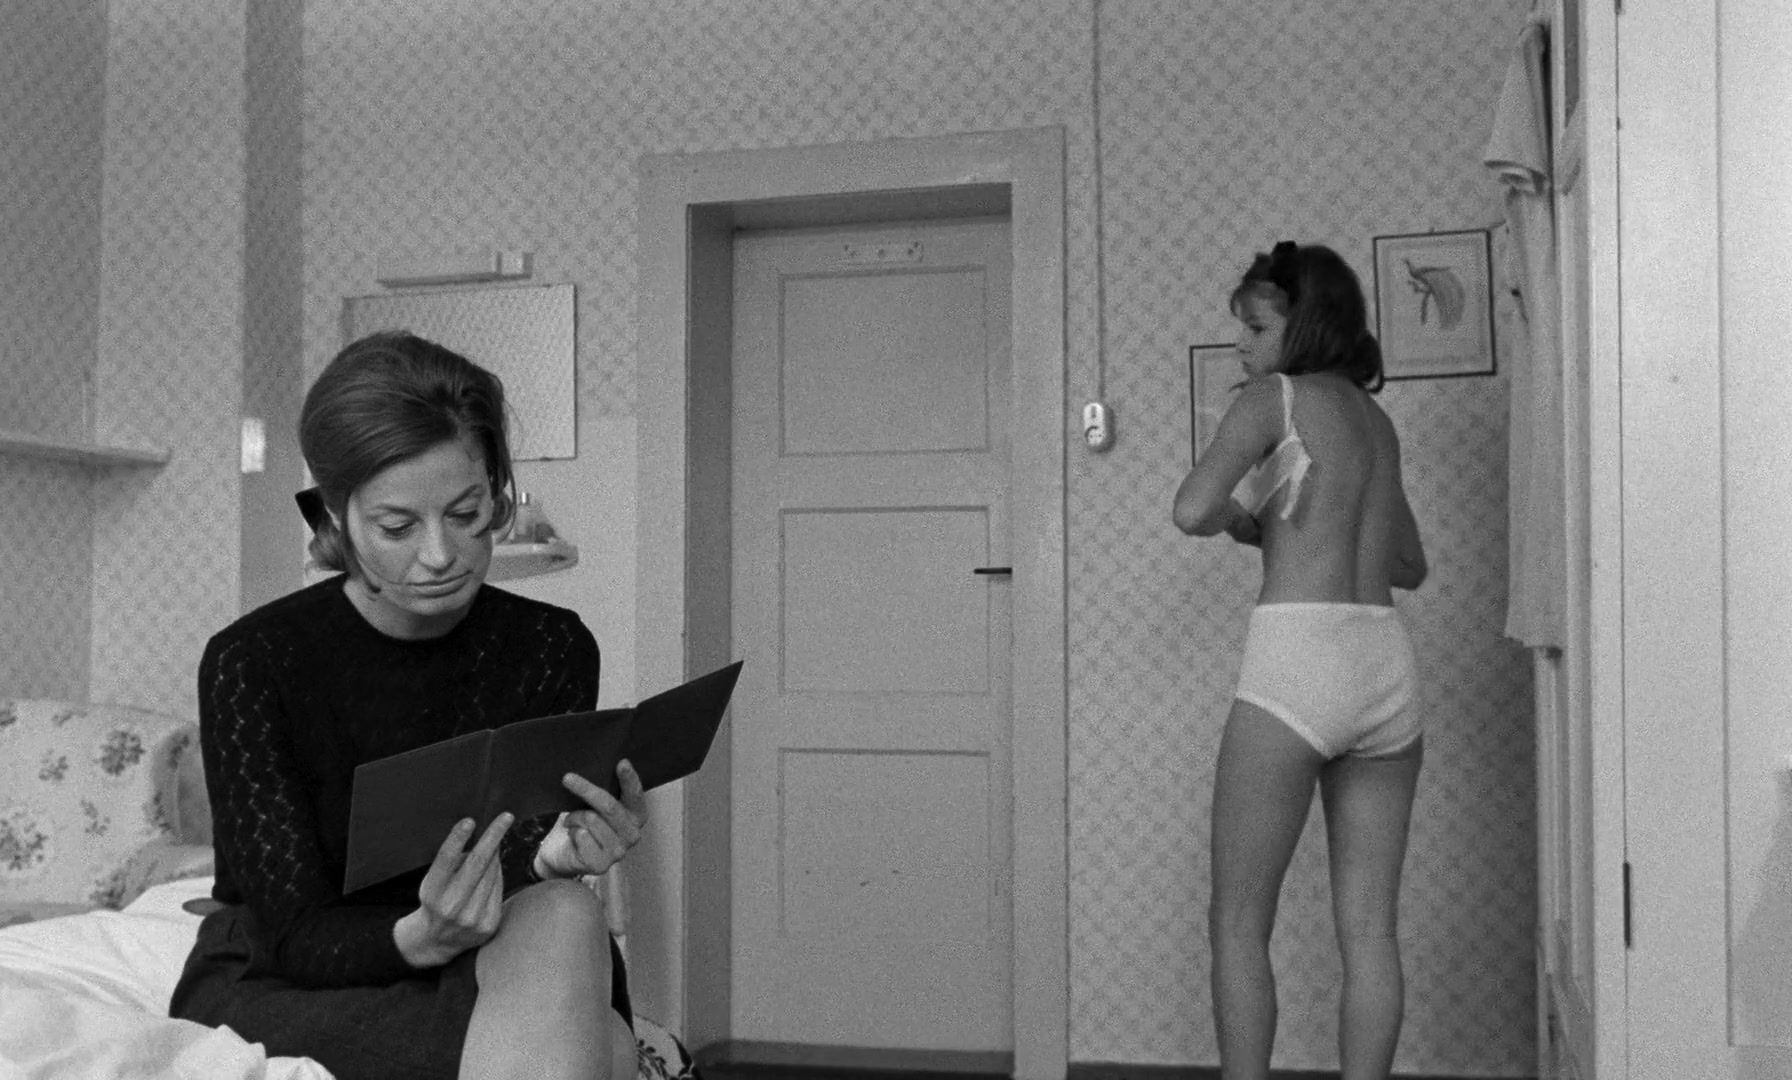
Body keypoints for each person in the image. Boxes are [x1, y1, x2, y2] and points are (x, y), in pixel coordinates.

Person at [170, 331, 644, 1080]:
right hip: (295, 972)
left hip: (483, 948)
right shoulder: (252, 662)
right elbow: (292, 931)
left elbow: (516, 866)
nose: (440, 555)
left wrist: (552, 856)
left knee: (567, 909)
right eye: (397, 527)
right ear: (333, 516)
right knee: (607, 1054)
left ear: (497, 490)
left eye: (466, 513)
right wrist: (421, 936)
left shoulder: (553, 645)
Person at [1172, 242, 1428, 1080]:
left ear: (1303, 325)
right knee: (1372, 931)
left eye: (1255, 327)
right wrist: (1280, 528)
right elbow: (1409, 565)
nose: (1240, 344)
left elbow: (1191, 508)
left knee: (1238, 923)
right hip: (1383, 664)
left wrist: (1240, 521)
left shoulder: (1272, 399)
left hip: (1300, 660)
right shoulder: (1376, 423)